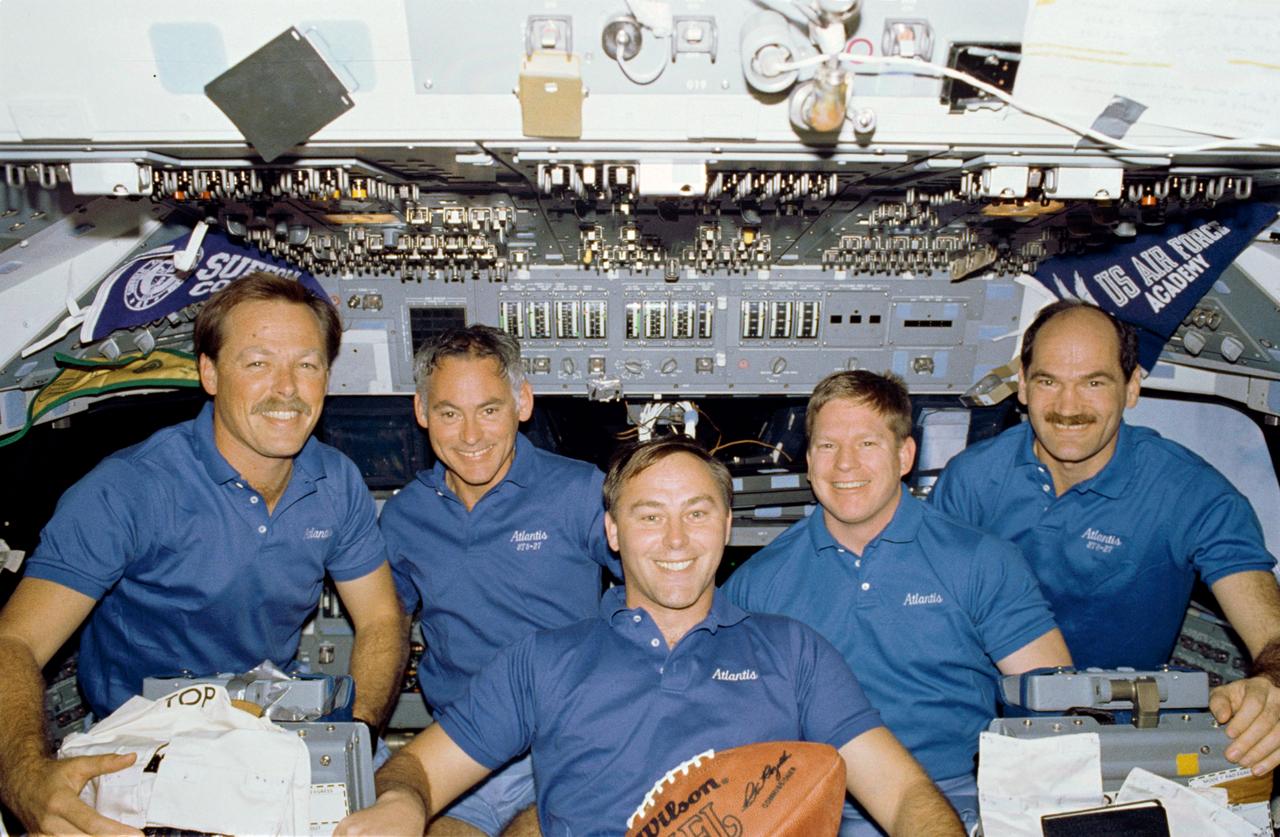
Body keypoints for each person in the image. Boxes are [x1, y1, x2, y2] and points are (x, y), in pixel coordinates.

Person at [338, 438, 965, 837]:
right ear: (612, 532)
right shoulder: (545, 660)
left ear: (725, 526)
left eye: (696, 513)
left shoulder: (793, 653)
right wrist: (402, 805)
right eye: (649, 516)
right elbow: (416, 769)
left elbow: (906, 794)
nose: (675, 540)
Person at [0, 272, 409, 836]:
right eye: (258, 362)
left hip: (268, 724)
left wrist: (354, 734)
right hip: (143, 738)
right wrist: (25, 778)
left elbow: (383, 619)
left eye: (307, 364)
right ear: (210, 373)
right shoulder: (128, 489)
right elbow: (14, 641)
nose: (286, 388)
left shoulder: (335, 483)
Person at [931, 299, 1280, 776]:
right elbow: (929, 614)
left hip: (1114, 738)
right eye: (1048, 381)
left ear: (1132, 387)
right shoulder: (971, 478)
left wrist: (1273, 687)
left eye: (1093, 382)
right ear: (1023, 387)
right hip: (973, 722)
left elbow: (1271, 632)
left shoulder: (1192, 494)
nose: (1068, 407)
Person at [723, 370, 1071, 834]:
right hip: (818, 802)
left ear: (905, 455)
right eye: (828, 446)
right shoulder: (758, 584)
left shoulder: (980, 561)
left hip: (964, 795)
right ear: (809, 461)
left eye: (867, 444)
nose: (845, 464)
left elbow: (1057, 707)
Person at [379, 325, 620, 836]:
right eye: (449, 412)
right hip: (459, 748)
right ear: (422, 413)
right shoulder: (405, 517)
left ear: (522, 403)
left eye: (489, 409)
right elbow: (386, 622)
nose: (471, 435)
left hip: (567, 746)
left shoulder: (580, 492)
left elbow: (654, 596)